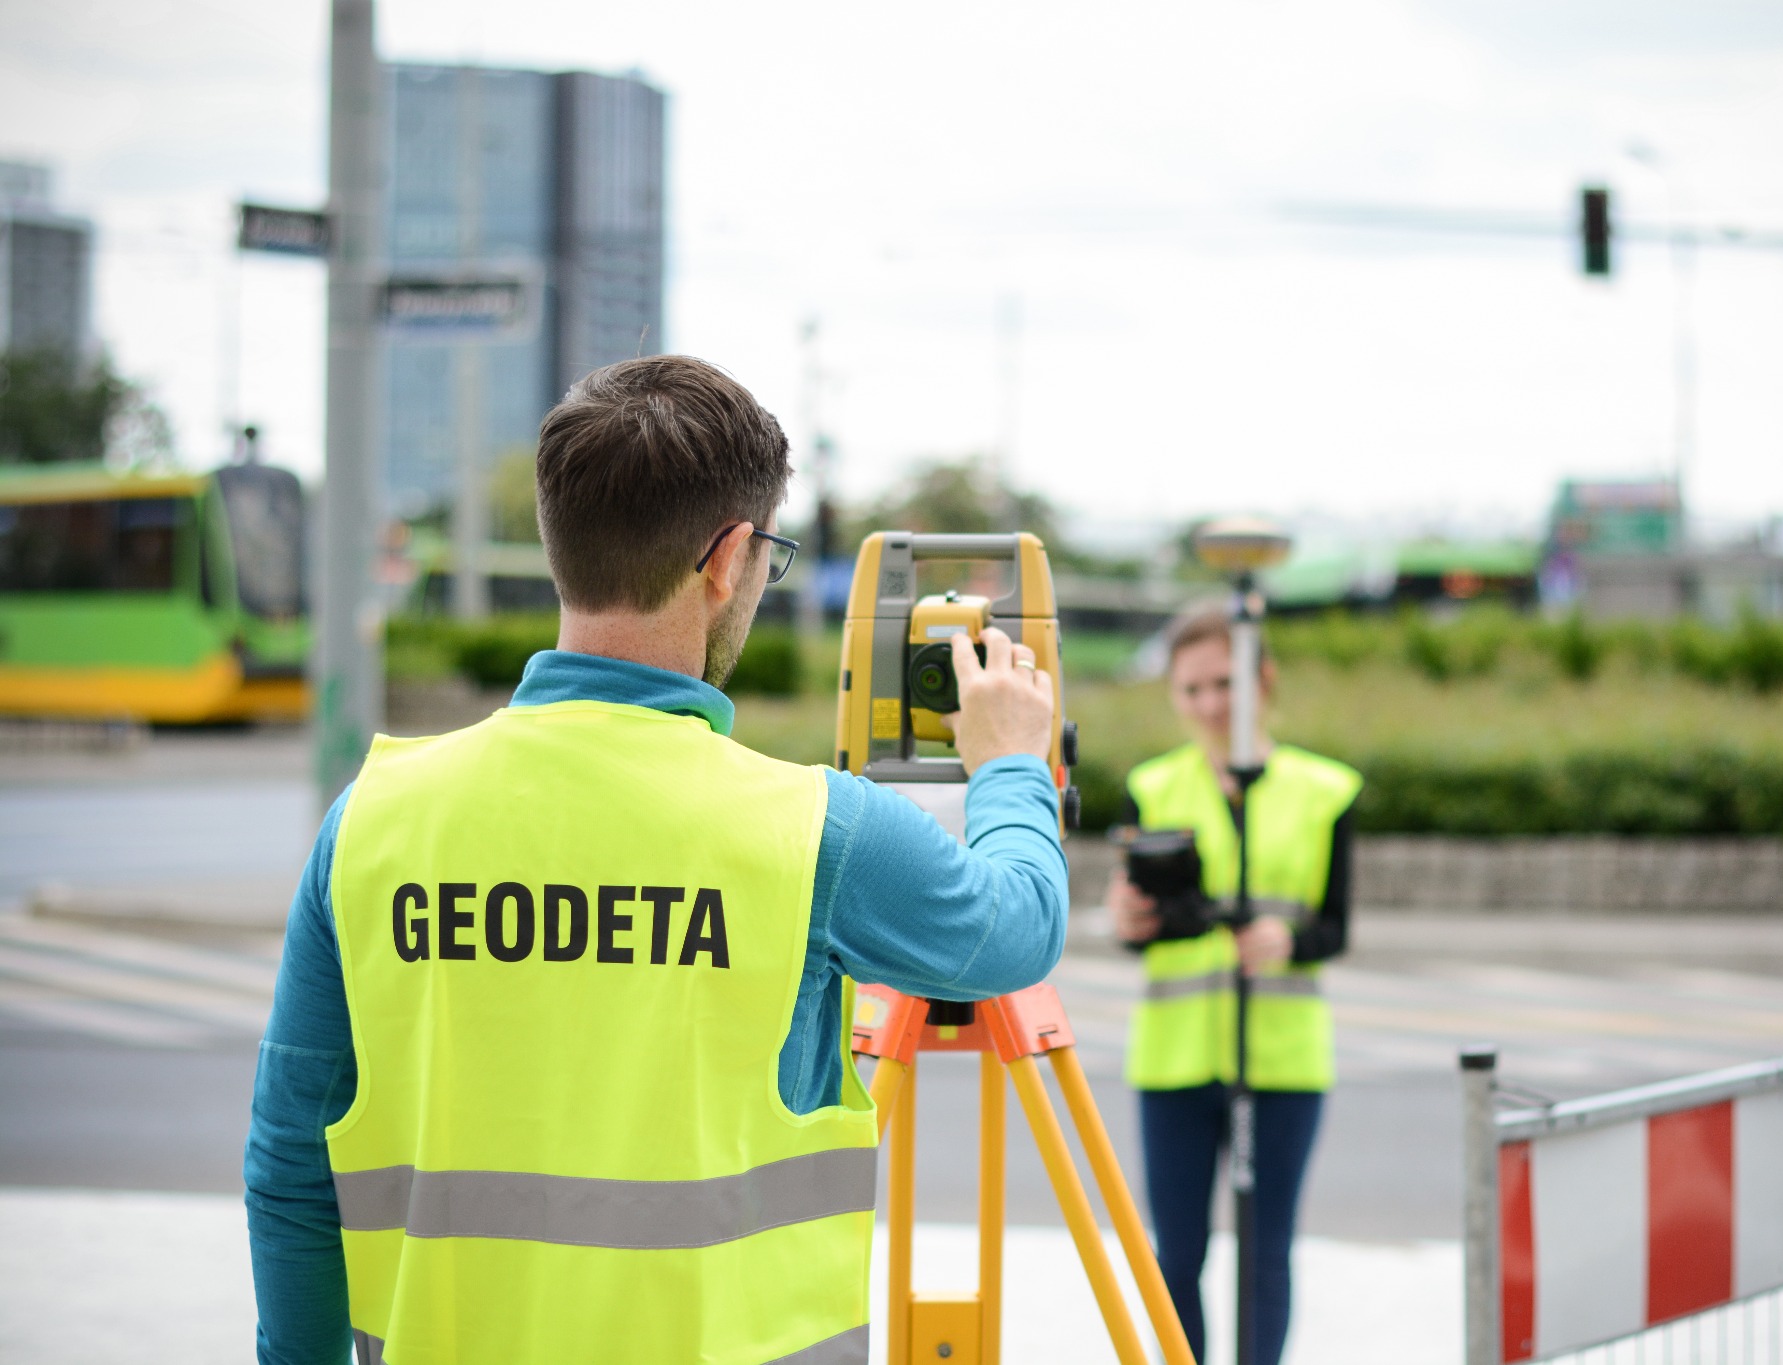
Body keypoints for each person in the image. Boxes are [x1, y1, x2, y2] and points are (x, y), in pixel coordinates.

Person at [244, 355, 1069, 1365]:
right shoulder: (815, 833)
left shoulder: (373, 821)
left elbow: (290, 1164)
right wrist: (1010, 767)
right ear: (728, 557)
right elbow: (1017, 927)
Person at [1106, 608, 1361, 1365]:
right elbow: (1137, 930)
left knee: (1266, 1253)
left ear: (1262, 681)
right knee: (1177, 1256)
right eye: (1192, 689)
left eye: (1226, 683)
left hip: (1282, 1063)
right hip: (1173, 1061)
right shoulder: (1149, 788)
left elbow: (1337, 927)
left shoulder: (1326, 791)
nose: (1211, 703)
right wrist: (1125, 919)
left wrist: (1291, 940)